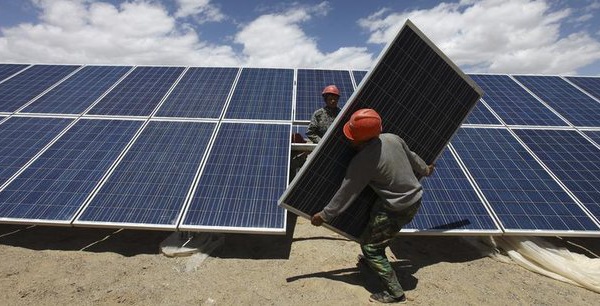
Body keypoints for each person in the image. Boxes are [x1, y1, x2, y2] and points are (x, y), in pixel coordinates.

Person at [311, 108, 435, 304]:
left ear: (359, 139)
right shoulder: (392, 138)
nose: (349, 139)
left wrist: (325, 215)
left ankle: (395, 293)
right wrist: (426, 170)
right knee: (375, 224)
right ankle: (375, 258)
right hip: (414, 198)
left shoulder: (363, 161)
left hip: (397, 207)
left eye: (352, 135)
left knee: (370, 248)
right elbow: (412, 157)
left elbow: (346, 193)